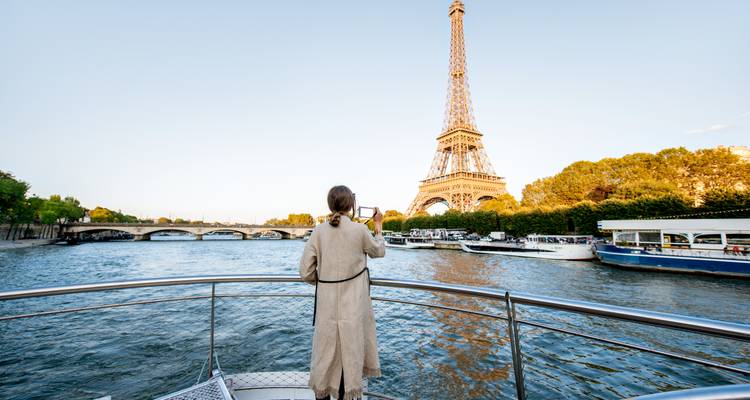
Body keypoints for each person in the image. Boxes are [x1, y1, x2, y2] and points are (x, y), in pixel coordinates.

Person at [299, 185, 386, 400]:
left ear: (330, 205)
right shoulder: (359, 230)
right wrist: (378, 225)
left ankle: (324, 391)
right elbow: (379, 251)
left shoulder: (318, 232)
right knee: (351, 352)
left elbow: (306, 272)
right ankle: (348, 393)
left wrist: (326, 283)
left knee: (326, 352)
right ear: (351, 205)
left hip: (327, 306)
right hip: (354, 306)